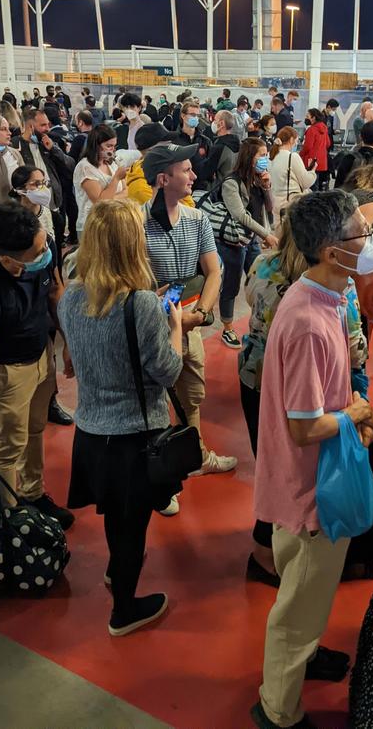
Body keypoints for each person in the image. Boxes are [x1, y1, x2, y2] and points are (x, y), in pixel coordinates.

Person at [251, 190, 373, 729]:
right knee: (295, 609)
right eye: (360, 235)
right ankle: (279, 709)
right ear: (331, 251)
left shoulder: (322, 298)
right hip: (311, 491)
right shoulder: (307, 322)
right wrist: (356, 412)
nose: (370, 243)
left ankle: (306, 656)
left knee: (306, 592)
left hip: (306, 484)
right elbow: (305, 427)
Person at [58, 199, 182, 635]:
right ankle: (124, 611)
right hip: (135, 435)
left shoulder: (71, 295)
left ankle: (116, 572)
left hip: (91, 429)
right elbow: (168, 371)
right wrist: (177, 329)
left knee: (116, 516)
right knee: (133, 525)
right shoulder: (142, 304)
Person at [0, 201, 73, 529]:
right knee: (8, 447)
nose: (45, 253)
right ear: (7, 257)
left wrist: (68, 344)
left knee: (35, 430)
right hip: (6, 372)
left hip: (42, 354)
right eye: (36, 252)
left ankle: (33, 494)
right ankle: (6, 522)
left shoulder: (42, 244)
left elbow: (54, 292)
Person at [141, 141, 233, 487]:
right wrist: (168, 315)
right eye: (186, 170)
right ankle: (160, 479)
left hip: (191, 318)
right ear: (164, 178)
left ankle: (195, 457)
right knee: (152, 400)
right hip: (151, 324)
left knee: (190, 395)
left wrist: (202, 314)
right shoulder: (137, 222)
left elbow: (214, 271)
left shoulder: (197, 220)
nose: (195, 175)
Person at [240, 211, 309, 587]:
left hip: (254, 374)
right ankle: (267, 550)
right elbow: (354, 343)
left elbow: (250, 299)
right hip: (295, 384)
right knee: (291, 468)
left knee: (268, 463)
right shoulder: (317, 280)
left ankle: (268, 546)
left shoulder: (263, 265)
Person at [8, 166, 72, 427]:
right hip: (15, 312)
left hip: (42, 300)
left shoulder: (51, 220)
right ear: (20, 190)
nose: (43, 189)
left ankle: (49, 402)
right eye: (36, 184)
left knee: (47, 358)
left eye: (44, 182)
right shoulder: (9, 225)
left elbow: (55, 278)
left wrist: (66, 332)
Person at [216, 138, 277, 349]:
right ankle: (227, 327)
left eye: (266, 154)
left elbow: (269, 207)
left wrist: (267, 186)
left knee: (259, 280)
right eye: (261, 154)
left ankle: (258, 326)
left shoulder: (257, 179)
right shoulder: (231, 182)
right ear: (249, 157)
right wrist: (266, 235)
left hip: (251, 239)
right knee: (231, 283)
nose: (265, 159)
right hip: (233, 240)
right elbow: (240, 215)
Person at [12, 108, 74, 260]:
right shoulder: (15, 146)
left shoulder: (51, 141)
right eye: (43, 125)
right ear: (30, 126)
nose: (47, 128)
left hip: (54, 204)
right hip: (31, 209)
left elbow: (70, 165)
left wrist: (53, 149)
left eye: (48, 124)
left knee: (56, 247)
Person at [73, 124, 126, 236]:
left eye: (114, 146)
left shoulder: (112, 164)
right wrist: (116, 178)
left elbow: (126, 191)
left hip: (113, 222)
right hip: (93, 226)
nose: (112, 150)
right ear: (96, 145)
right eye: (108, 146)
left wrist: (110, 199)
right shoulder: (85, 167)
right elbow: (100, 202)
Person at [125, 123, 191, 207]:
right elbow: (183, 212)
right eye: (167, 147)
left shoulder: (162, 172)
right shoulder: (141, 188)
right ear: (152, 153)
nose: (171, 149)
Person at [270, 126, 316, 224]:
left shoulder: (272, 156)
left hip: (275, 203)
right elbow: (306, 182)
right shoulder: (292, 156)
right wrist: (312, 171)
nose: (297, 143)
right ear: (291, 139)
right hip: (290, 205)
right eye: (296, 140)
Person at [199, 110, 240, 190]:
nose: (213, 123)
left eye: (215, 120)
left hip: (221, 189)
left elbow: (205, 173)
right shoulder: (238, 143)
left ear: (221, 124)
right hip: (235, 186)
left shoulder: (220, 147)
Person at [174, 100, 211, 168]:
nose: (196, 118)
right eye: (193, 115)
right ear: (183, 115)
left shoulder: (205, 141)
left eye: (197, 115)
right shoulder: (174, 140)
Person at [300, 108, 330, 191]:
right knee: (318, 185)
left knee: (311, 186)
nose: (306, 118)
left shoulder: (311, 130)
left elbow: (307, 146)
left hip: (311, 161)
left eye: (307, 116)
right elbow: (328, 143)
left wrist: (300, 154)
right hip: (321, 160)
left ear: (313, 118)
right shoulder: (324, 128)